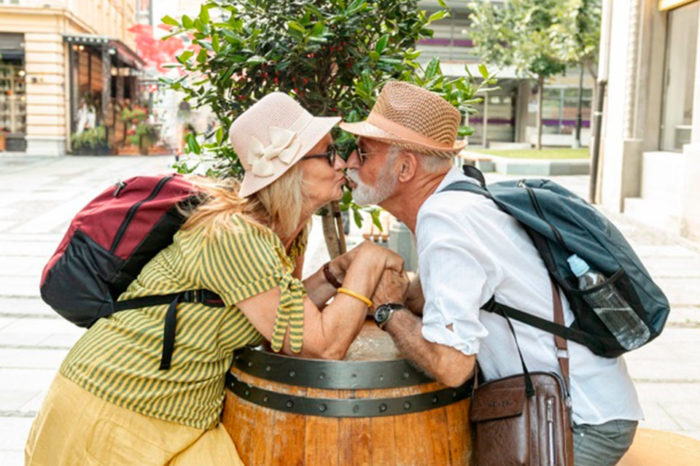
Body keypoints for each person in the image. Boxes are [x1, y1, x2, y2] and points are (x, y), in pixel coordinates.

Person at [25, 92, 407, 465]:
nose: (342, 163)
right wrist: (367, 261)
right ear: (291, 169)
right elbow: (321, 345)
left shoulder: (288, 231)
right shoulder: (235, 235)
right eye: (329, 153)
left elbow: (280, 324)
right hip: (116, 410)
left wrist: (332, 273)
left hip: (186, 417)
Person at [340, 81, 642, 466]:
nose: (350, 161)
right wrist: (408, 293)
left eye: (364, 153)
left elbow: (451, 365)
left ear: (405, 167)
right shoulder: (466, 195)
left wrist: (387, 310)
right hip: (579, 404)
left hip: (575, 420)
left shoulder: (445, 220)